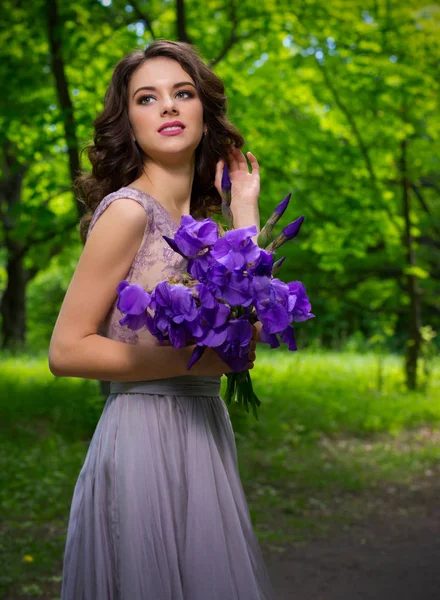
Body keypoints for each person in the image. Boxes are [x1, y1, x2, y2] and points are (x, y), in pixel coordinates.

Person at [49, 39, 276, 600]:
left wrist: (243, 207)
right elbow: (67, 350)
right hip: (143, 437)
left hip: (203, 432)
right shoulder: (129, 212)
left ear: (204, 113)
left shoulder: (203, 225)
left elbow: (244, 338)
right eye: (147, 98)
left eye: (183, 93)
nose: (169, 107)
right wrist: (195, 360)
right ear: (128, 123)